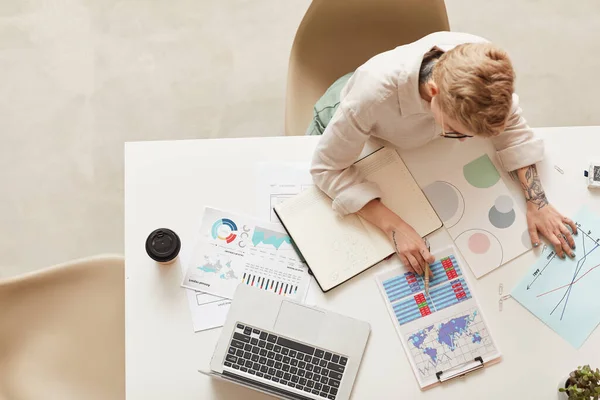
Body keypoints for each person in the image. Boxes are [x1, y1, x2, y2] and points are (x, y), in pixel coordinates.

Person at [308, 31, 577, 276]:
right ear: (434, 92)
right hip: (342, 119)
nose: (462, 142)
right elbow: (326, 168)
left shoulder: (485, 65)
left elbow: (512, 125)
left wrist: (537, 202)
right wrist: (394, 225)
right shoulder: (370, 97)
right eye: (456, 132)